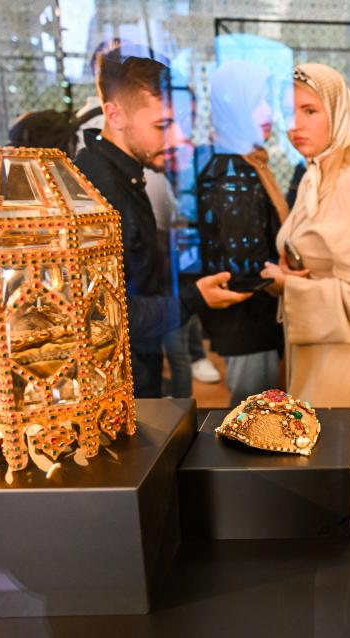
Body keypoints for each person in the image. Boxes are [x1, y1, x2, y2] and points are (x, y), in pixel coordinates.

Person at [75, 46, 249, 397]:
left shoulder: (128, 176)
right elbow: (96, 315)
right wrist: (191, 299)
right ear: (115, 115)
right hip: (114, 390)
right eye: (163, 125)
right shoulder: (98, 191)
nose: (178, 139)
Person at [260, 63, 350, 407]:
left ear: (338, 112)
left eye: (310, 111)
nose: (295, 124)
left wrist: (288, 285)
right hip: (316, 347)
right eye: (289, 112)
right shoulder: (314, 174)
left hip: (342, 358)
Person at [196, 61, 288, 405]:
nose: (268, 112)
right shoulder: (234, 172)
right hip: (248, 322)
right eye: (256, 101)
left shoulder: (246, 162)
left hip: (250, 322)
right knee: (256, 420)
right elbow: (244, 271)